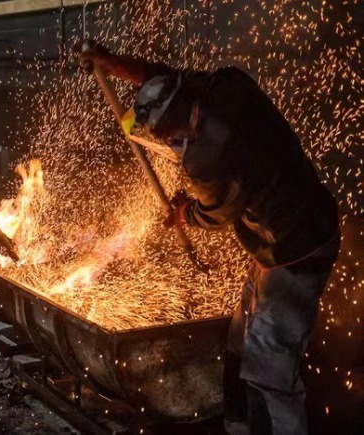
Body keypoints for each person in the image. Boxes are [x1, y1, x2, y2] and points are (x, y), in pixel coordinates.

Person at [76, 41, 340, 434]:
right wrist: (111, 64)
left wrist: (184, 213)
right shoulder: (223, 86)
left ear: (170, 132)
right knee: (239, 339)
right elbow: (157, 74)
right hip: (285, 231)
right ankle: (238, 423)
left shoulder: (208, 157)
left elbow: (214, 215)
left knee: (269, 364)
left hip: (296, 249)